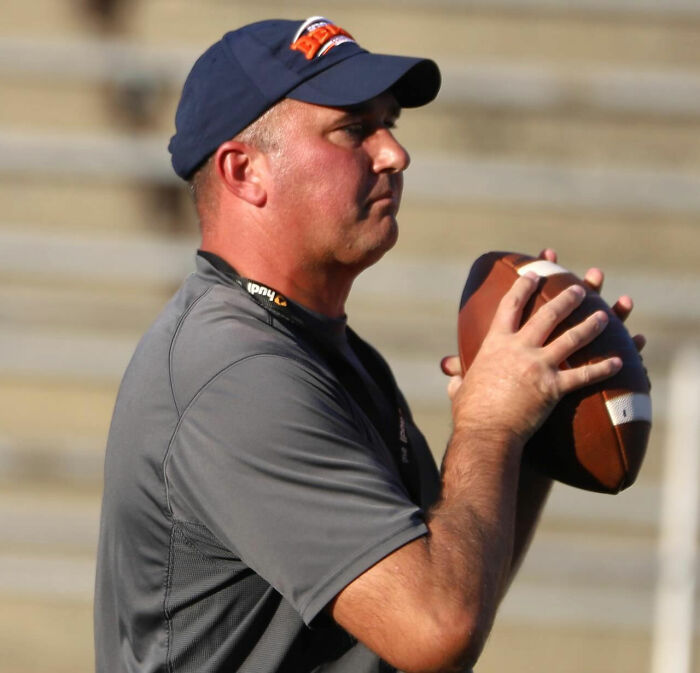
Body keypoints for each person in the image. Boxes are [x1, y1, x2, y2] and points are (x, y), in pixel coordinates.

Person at [94, 16, 643, 673]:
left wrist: (531, 428)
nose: (394, 153)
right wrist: (490, 425)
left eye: (392, 125)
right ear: (245, 171)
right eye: (354, 129)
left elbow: (451, 586)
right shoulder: (234, 376)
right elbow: (436, 627)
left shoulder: (320, 348)